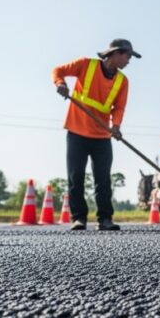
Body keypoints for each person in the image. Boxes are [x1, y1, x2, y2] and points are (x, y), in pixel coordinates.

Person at [52, 39, 139, 231]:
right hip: (77, 132)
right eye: (127, 56)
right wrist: (60, 84)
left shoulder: (122, 81)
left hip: (101, 136)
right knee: (76, 177)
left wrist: (115, 126)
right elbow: (57, 70)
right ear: (115, 53)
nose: (128, 61)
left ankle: (105, 219)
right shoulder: (85, 65)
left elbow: (119, 107)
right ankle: (79, 218)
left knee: (103, 179)